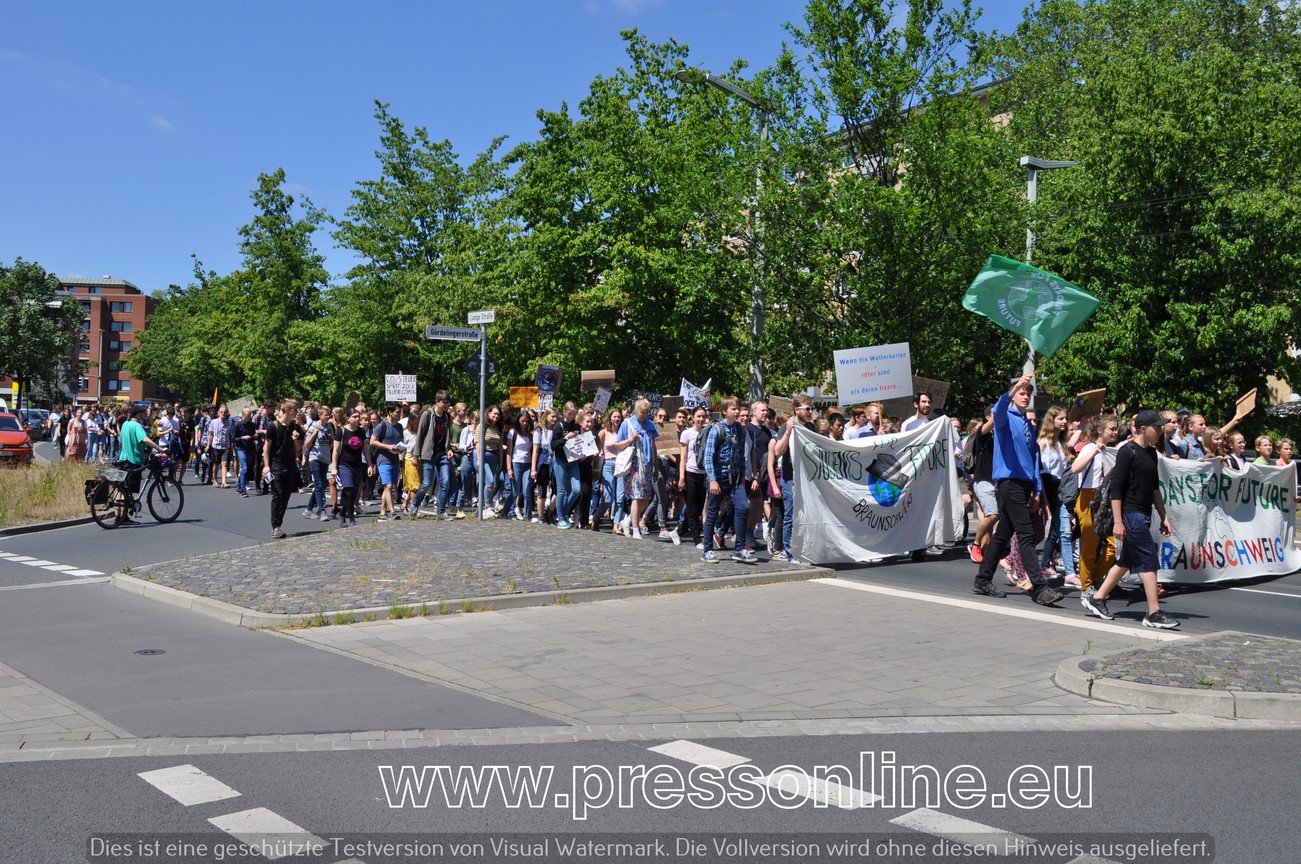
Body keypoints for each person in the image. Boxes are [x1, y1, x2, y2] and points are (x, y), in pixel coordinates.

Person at [972, 373, 1064, 606]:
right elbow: (998, 409)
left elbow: (1034, 460)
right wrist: (1015, 387)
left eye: (1028, 393)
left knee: (1002, 534)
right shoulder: (1005, 417)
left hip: (1024, 485)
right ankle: (1040, 588)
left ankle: (982, 580)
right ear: (1013, 395)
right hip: (1009, 483)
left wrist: (1036, 491)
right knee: (1025, 534)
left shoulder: (1026, 424)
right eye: (1021, 392)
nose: (1025, 396)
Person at [1081, 409, 1179, 629]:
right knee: (1148, 559)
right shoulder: (1127, 452)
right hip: (1131, 513)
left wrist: (1164, 516)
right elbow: (1116, 489)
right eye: (1157, 427)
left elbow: (1154, 488)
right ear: (1143, 429)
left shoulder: (1152, 453)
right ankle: (1153, 613)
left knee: (1127, 560)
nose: (1160, 431)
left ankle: (1097, 598)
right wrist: (1118, 522)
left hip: (1144, 512)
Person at [701, 397, 754, 563]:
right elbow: (708, 457)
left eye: (738, 408)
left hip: (735, 479)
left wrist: (743, 477)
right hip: (718, 478)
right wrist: (712, 480)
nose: (737, 412)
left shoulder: (739, 429)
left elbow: (741, 456)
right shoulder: (716, 429)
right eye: (733, 409)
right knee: (712, 513)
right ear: (724, 411)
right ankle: (707, 550)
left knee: (743, 507)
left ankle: (739, 549)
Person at [1071, 414, 1119, 595]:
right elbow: (1075, 468)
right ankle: (1087, 584)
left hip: (1105, 498)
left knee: (1114, 544)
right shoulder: (1090, 448)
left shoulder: (1111, 450)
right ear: (1100, 430)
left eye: (1115, 429)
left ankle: (1097, 577)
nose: (1115, 432)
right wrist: (1094, 452)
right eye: (1111, 429)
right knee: (1089, 545)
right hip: (1088, 498)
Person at [614, 398, 658, 540]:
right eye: (641, 412)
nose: (644, 415)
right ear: (636, 411)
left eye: (646, 413)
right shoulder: (627, 424)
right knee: (636, 496)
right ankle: (635, 529)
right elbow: (617, 445)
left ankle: (627, 520)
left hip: (647, 465)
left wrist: (656, 466)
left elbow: (653, 446)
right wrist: (631, 439)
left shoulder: (650, 424)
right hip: (634, 465)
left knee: (645, 499)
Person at [412, 391, 455, 519]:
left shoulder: (447, 417)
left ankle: (441, 511)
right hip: (429, 454)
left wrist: (449, 449)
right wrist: (416, 455)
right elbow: (420, 436)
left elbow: (447, 436)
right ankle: (415, 504)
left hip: (443, 454)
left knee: (445, 482)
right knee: (426, 483)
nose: (446, 405)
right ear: (437, 401)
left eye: (448, 402)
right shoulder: (427, 415)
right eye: (444, 402)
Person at [263, 399, 303, 539]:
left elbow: (298, 449)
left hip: (290, 465)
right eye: (295, 409)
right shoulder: (273, 426)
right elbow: (266, 447)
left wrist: (295, 439)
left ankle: (278, 524)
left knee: (285, 497)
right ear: (287, 410)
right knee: (277, 495)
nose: (297, 412)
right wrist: (266, 466)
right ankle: (275, 526)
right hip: (276, 465)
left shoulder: (294, 427)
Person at [966, 405, 996, 563]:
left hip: (997, 481)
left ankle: (986, 550)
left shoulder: (1000, 435)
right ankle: (976, 545)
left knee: (991, 519)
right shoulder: (983, 433)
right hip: (983, 480)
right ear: (988, 418)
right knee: (992, 515)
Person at [331, 409, 366, 528]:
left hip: (358, 465)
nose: (357, 419)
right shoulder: (342, 431)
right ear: (348, 418)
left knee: (354, 492)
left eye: (358, 416)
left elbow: (365, 449)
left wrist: (370, 463)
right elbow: (336, 451)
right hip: (344, 465)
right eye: (354, 416)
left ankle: (341, 513)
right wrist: (334, 468)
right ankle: (351, 519)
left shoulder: (360, 431)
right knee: (349, 490)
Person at [370, 404, 405, 522]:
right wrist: (388, 446)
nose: (399, 414)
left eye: (399, 412)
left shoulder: (399, 426)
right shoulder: (382, 425)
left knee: (389, 487)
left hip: (395, 459)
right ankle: (393, 511)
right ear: (390, 412)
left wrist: (401, 447)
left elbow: (401, 440)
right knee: (388, 486)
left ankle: (382, 512)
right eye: (397, 412)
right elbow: (372, 441)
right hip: (383, 459)